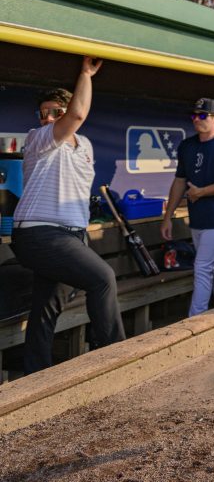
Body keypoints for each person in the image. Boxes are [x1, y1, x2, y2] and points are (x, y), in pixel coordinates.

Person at [11, 57, 126, 373]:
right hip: (39, 233)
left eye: (55, 112)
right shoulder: (39, 137)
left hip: (71, 235)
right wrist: (86, 73)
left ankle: (35, 373)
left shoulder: (85, 145)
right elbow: (77, 113)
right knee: (103, 278)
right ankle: (115, 361)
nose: (49, 117)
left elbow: (75, 117)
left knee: (47, 307)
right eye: (44, 112)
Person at [160, 98, 214, 316]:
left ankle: (196, 318)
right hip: (198, 218)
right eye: (194, 115)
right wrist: (168, 216)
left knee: (203, 266)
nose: (196, 119)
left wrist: (201, 192)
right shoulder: (187, 145)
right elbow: (179, 181)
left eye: (202, 115)